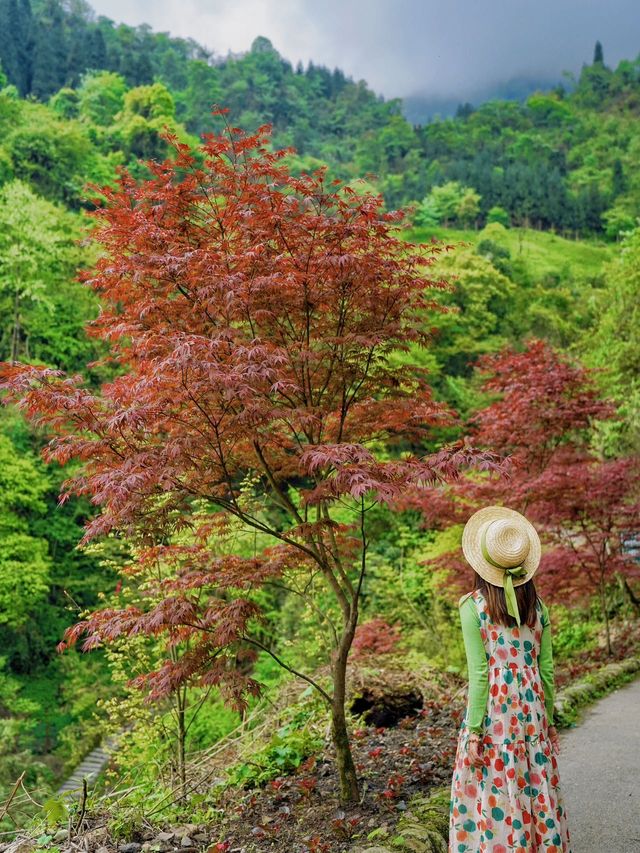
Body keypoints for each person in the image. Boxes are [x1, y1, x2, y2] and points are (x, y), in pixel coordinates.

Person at [449, 506, 571, 853]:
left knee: (495, 789)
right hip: (531, 711)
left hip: (495, 714)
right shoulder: (539, 606)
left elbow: (479, 673)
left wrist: (474, 730)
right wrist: (546, 721)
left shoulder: (472, 607)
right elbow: (546, 671)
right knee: (535, 782)